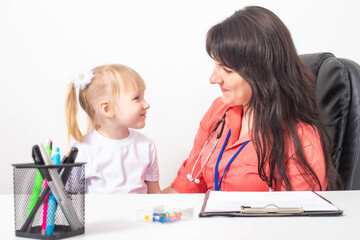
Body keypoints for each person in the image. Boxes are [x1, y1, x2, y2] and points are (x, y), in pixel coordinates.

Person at [163, 6, 341, 193]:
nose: (213, 78)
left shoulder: (301, 138)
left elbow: (300, 215)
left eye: (227, 69)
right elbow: (187, 186)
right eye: (216, 66)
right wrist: (141, 204)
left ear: (261, 72)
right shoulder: (218, 111)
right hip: (211, 221)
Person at [65, 64, 161, 194]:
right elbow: (74, 200)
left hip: (137, 214)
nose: (147, 104)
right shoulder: (83, 150)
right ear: (107, 109)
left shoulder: (146, 146)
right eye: (137, 98)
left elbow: (155, 194)